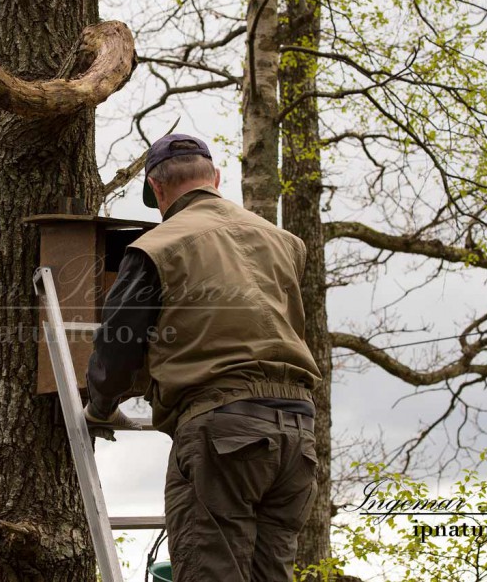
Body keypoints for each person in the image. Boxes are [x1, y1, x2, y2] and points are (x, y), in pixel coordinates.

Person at [84, 133, 322, 582]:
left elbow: (119, 343)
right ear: (215, 177)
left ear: (156, 190)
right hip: (297, 433)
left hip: (222, 431)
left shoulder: (156, 246)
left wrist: (100, 406)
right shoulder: (285, 242)